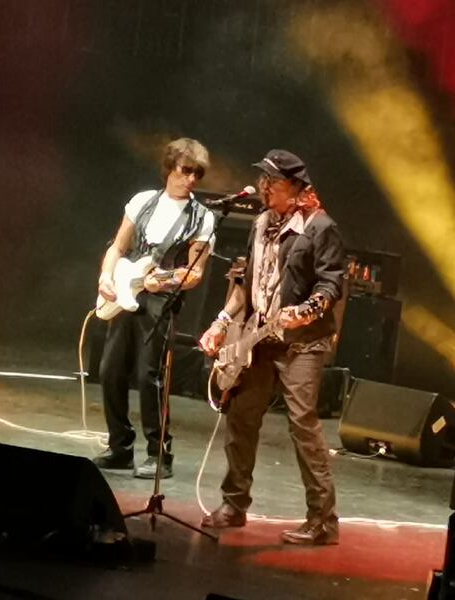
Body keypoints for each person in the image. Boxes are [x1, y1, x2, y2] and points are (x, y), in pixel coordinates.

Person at [198, 149, 345, 545]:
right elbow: (246, 284)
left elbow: (332, 284)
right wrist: (221, 322)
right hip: (260, 338)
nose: (264, 187)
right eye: (263, 179)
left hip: (303, 342)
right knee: (241, 415)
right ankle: (234, 504)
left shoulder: (320, 227)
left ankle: (323, 521)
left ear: (296, 187)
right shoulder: (261, 222)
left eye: (273, 181)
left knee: (302, 423)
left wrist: (307, 311)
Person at [94, 138, 215, 478]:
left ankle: (159, 453)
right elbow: (119, 246)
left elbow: (195, 274)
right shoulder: (143, 202)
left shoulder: (202, 218)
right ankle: (120, 447)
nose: (191, 179)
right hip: (126, 290)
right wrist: (106, 276)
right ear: (169, 168)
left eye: (197, 174)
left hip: (161, 299)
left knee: (150, 376)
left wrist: (162, 282)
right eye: (185, 170)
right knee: (110, 370)